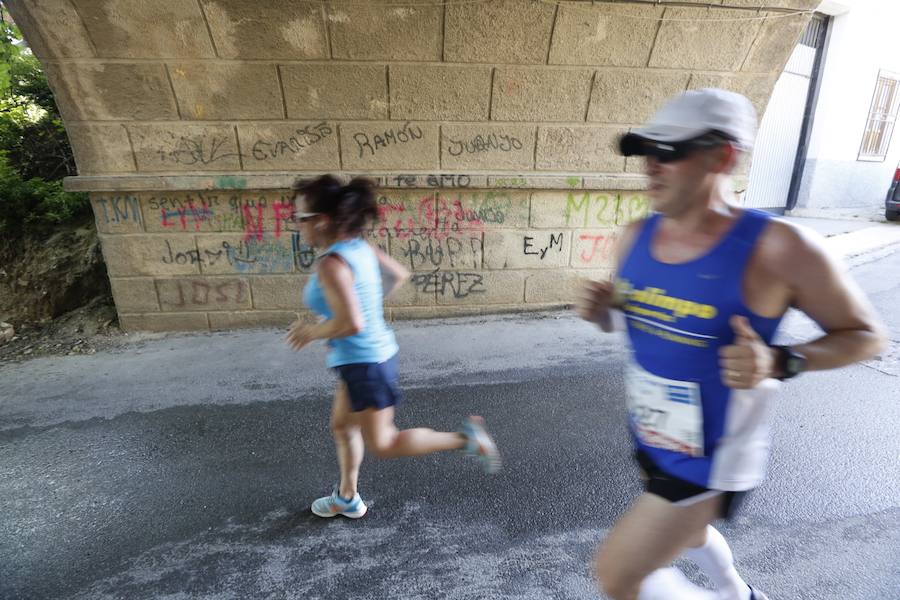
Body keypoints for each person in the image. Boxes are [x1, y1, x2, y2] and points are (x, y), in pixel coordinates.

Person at [578, 88, 887, 600]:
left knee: (620, 574)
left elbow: (867, 337)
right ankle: (739, 592)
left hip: (715, 457)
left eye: (669, 153)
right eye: (646, 153)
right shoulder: (634, 236)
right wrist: (606, 312)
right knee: (692, 535)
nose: (651, 168)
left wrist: (782, 360)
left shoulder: (779, 248)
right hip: (654, 436)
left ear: (723, 156)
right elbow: (645, 325)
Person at [286, 174, 501, 519]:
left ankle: (465, 439)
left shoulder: (331, 264)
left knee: (385, 443)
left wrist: (313, 331)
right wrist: (360, 309)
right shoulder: (357, 246)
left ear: (322, 221)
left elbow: (352, 322)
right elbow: (398, 274)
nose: (297, 226)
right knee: (342, 426)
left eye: (300, 218)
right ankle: (347, 496)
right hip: (363, 357)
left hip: (365, 363)